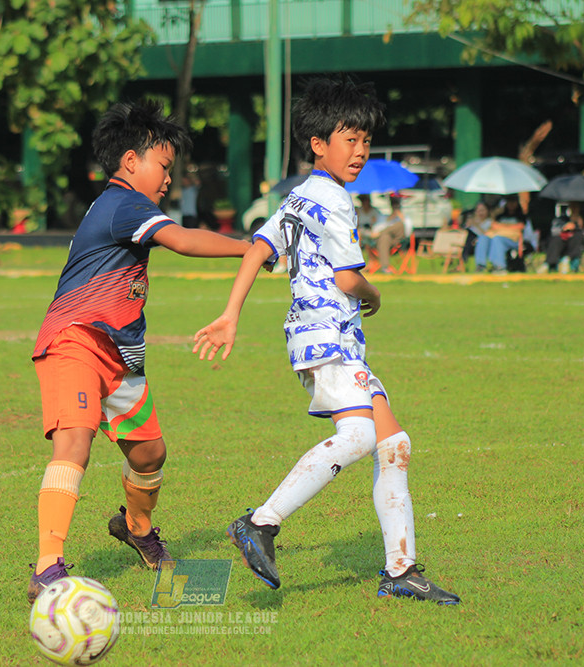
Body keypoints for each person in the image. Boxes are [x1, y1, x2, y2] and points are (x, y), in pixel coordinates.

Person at [192, 76, 460, 605]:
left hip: (326, 338)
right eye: (350, 139)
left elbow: (256, 250)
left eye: (366, 140)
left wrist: (230, 314)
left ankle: (401, 571)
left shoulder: (298, 196)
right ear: (318, 143)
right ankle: (260, 522)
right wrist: (375, 293)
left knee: (393, 444)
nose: (360, 151)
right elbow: (347, 279)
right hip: (327, 337)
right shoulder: (334, 200)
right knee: (359, 437)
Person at [28, 100, 251, 603]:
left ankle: (136, 527)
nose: (169, 179)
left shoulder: (123, 204)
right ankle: (47, 568)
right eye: (164, 166)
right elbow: (184, 241)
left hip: (120, 353)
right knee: (75, 443)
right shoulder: (123, 203)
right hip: (75, 340)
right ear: (131, 161)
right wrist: (251, 247)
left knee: (150, 454)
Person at [474, 200, 524, 274]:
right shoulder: (500, 216)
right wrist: (507, 227)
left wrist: (500, 227)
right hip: (498, 236)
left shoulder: (521, 216)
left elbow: (520, 227)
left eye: (513, 202)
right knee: (483, 238)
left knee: (497, 238)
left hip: (513, 240)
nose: (511, 204)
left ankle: (499, 266)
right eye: (509, 202)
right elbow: (493, 226)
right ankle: (481, 265)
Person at [539, 201, 584, 274]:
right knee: (556, 239)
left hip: (573, 245)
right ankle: (549, 263)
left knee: (577, 236)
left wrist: (577, 225)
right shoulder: (562, 219)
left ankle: (567, 260)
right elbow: (555, 230)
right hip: (562, 241)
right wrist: (565, 227)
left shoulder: (582, 219)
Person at [366, 194, 408, 273]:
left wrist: (401, 218)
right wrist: (389, 220)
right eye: (393, 205)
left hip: (398, 241)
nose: (395, 207)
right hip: (383, 242)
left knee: (400, 225)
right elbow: (375, 230)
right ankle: (385, 267)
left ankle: (385, 267)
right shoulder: (384, 217)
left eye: (396, 205)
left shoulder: (405, 218)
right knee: (385, 237)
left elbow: (408, 231)